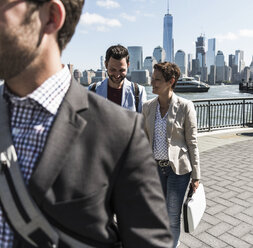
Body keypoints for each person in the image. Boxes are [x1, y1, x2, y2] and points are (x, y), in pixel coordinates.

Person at [0, 0, 173, 247]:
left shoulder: (124, 133)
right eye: (112, 69)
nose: (116, 74)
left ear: (50, 16)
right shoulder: (96, 92)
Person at [142, 62, 201, 248]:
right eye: (153, 78)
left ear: (171, 81)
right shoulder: (147, 107)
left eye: (157, 79)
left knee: (173, 216)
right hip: (155, 171)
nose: (153, 82)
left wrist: (196, 175)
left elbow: (192, 142)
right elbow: (144, 140)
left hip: (178, 170)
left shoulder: (185, 106)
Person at [88, 45, 147, 113]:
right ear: (106, 65)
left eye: (121, 70)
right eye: (113, 70)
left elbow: (143, 122)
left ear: (128, 65)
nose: (117, 75)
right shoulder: (93, 90)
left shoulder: (138, 92)